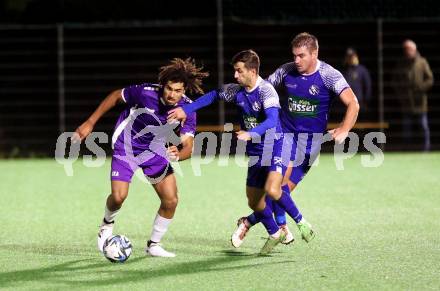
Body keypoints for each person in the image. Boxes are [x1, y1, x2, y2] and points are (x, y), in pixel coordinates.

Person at [168, 49, 309, 254]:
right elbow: (214, 95)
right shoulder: (237, 92)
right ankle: (274, 232)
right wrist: (186, 110)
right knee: (254, 201)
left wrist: (251, 133)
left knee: (275, 188)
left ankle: (298, 223)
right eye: (235, 71)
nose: (235, 75)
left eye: (239, 70)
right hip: (256, 153)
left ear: (252, 70)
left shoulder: (266, 91)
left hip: (276, 146)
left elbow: (271, 120)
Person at [72, 58, 209, 257]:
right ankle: (107, 223)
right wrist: (90, 122)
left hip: (154, 151)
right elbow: (115, 96)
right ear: (163, 86)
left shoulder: (188, 110)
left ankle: (153, 245)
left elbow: (188, 146)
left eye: (177, 90)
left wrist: (179, 155)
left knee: (170, 200)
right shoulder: (146, 92)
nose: (172, 94)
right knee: (119, 197)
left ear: (184, 90)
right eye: (169, 88)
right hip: (126, 146)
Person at [233, 32, 360, 247]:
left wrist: (345, 129)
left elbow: (353, 103)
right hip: (286, 138)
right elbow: (263, 87)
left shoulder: (329, 75)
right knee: (277, 188)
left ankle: (250, 221)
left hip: (311, 146)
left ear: (314, 53)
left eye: (302, 56)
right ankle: (281, 227)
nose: (297, 61)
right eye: (294, 56)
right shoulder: (286, 70)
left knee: (282, 194)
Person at [392, 39, 434, 151]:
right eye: (405, 49)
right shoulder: (401, 63)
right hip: (406, 102)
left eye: (409, 49)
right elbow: (394, 81)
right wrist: (401, 95)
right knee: (407, 128)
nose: (407, 51)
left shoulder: (422, 62)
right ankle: (407, 149)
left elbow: (430, 79)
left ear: (414, 49)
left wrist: (421, 88)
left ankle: (426, 149)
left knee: (423, 126)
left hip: (420, 102)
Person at [343, 47, 372, 118]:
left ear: (356, 56)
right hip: (346, 103)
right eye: (348, 56)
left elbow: (368, 86)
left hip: (360, 103)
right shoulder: (344, 71)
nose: (350, 58)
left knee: (361, 126)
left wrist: (366, 101)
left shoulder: (362, 70)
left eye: (352, 56)